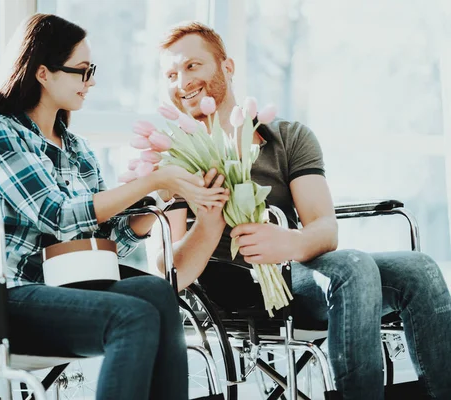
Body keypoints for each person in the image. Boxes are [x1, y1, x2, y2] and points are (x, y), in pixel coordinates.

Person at [154, 21, 451, 399]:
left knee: (420, 269)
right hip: (225, 289)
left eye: (193, 66)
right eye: (171, 74)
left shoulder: (288, 138)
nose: (182, 82)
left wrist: (287, 243)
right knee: (353, 266)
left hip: (291, 276)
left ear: (227, 67)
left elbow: (325, 230)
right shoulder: (171, 158)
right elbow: (170, 273)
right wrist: (212, 222)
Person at [0, 14, 228, 400]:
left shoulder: (76, 148)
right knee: (130, 317)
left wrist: (161, 196)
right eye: (82, 71)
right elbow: (57, 214)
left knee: (157, 292)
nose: (91, 81)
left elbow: (109, 235)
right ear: (43, 73)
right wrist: (151, 182)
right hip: (1, 290)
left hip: (63, 284)